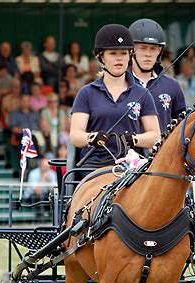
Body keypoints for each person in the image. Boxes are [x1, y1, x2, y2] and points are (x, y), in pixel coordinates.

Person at [70, 23, 159, 171]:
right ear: (101, 57)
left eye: (123, 53)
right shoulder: (86, 93)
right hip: (94, 167)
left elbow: (155, 135)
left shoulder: (143, 94)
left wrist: (135, 139)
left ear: (130, 56)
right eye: (113, 53)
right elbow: (75, 135)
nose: (119, 59)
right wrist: (92, 138)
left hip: (131, 166)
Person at [128, 18, 186, 133]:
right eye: (143, 48)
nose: (148, 54)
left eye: (153, 48)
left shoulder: (173, 86)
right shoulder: (119, 83)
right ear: (132, 50)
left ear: (159, 50)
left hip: (161, 149)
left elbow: (182, 128)